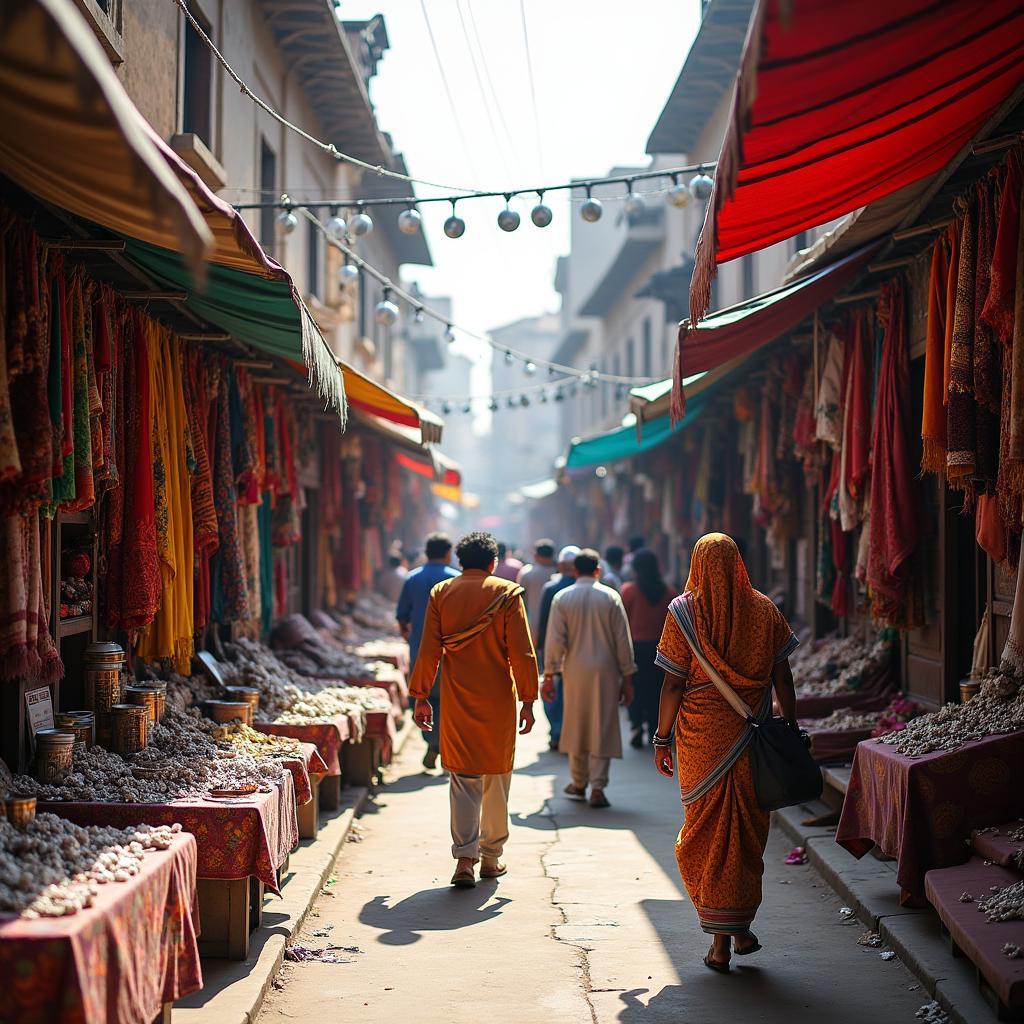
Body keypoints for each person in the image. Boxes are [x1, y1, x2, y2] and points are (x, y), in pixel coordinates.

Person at [651, 533, 799, 972]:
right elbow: (783, 676)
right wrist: (789, 725)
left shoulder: (683, 613)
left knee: (704, 835)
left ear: (696, 564)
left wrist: (662, 739)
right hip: (754, 740)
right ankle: (738, 929)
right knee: (745, 838)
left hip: (700, 743)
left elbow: (674, 683)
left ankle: (720, 941)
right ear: (738, 563)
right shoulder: (765, 609)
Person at [408, 532, 539, 888]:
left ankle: (464, 859)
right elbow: (523, 654)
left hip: (456, 699)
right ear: (493, 563)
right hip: (498, 700)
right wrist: (528, 700)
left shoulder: (442, 593)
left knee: (463, 778)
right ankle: (491, 858)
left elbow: (428, 650)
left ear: (460, 561)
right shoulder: (507, 594)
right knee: (496, 776)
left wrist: (421, 695)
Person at [542, 548, 636, 808]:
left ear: (574, 571)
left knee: (576, 723)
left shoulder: (562, 597)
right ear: (598, 571)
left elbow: (555, 641)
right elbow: (622, 641)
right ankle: (598, 787)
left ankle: (578, 781)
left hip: (574, 669)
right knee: (602, 724)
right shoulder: (610, 597)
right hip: (606, 670)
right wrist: (627, 676)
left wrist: (549, 674)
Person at [396, 533, 460, 770]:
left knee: (423, 698)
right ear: (447, 553)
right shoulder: (456, 579)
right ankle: (443, 745)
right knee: (449, 700)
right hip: (451, 652)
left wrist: (410, 635)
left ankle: (433, 742)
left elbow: (402, 616)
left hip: (420, 651)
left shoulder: (412, 578)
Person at [621, 549, 672, 748]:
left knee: (636, 687)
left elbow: (622, 620)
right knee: (656, 690)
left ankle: (635, 726)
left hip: (636, 648)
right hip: (662, 649)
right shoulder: (668, 592)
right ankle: (654, 728)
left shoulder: (629, 591)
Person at [535, 545, 579, 750]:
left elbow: (544, 622)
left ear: (560, 565)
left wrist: (541, 647)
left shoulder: (551, 588)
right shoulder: (586, 588)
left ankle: (557, 730)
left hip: (555, 649)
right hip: (579, 651)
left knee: (552, 690)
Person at [516, 538, 556, 640]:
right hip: (555, 624)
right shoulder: (558, 572)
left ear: (536, 555)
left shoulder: (527, 573)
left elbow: (520, 601)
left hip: (533, 624)